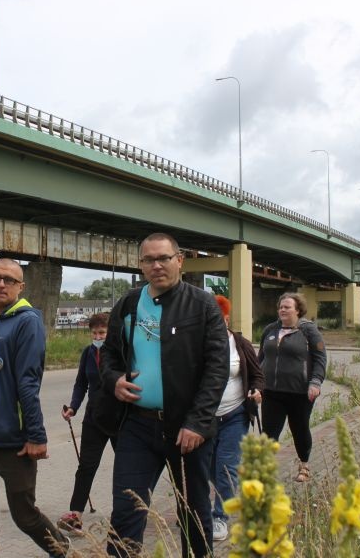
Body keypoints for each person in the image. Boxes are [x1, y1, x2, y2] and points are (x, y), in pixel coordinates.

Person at [97, 232, 229, 558]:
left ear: (179, 261)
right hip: (138, 427)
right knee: (126, 511)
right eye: (149, 260)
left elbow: (217, 368)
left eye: (164, 258)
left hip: (188, 430)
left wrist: (198, 422)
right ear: (141, 265)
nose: (157, 266)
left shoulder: (202, 305)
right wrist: (114, 379)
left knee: (194, 513)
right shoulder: (127, 305)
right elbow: (109, 355)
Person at [0, 258, 69, 558]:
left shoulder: (28, 323)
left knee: (24, 516)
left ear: (21, 287)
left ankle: (61, 548)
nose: (1, 284)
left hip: (15, 443)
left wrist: (36, 436)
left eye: (9, 280)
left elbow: (28, 384)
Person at [209, 295, 264, 542]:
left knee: (225, 466)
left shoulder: (240, 343)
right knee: (209, 467)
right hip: (206, 418)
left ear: (226, 319)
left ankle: (220, 516)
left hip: (236, 414)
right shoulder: (198, 345)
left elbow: (257, 374)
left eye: (217, 319)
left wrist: (256, 389)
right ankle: (231, 490)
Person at [257, 291, 327, 483]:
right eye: (280, 307)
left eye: (287, 307)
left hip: (300, 393)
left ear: (298, 310)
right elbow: (260, 358)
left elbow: (320, 358)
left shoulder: (309, 331)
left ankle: (304, 465)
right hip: (272, 392)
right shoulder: (270, 330)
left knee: (300, 429)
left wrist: (315, 382)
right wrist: (255, 382)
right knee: (269, 433)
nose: (282, 310)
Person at [57, 312, 115, 535]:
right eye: (94, 333)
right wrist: (73, 406)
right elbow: (81, 383)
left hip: (119, 418)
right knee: (86, 467)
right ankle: (75, 515)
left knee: (126, 467)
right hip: (94, 418)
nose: (98, 336)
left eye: (102, 333)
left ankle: (127, 513)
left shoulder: (120, 353)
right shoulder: (88, 353)